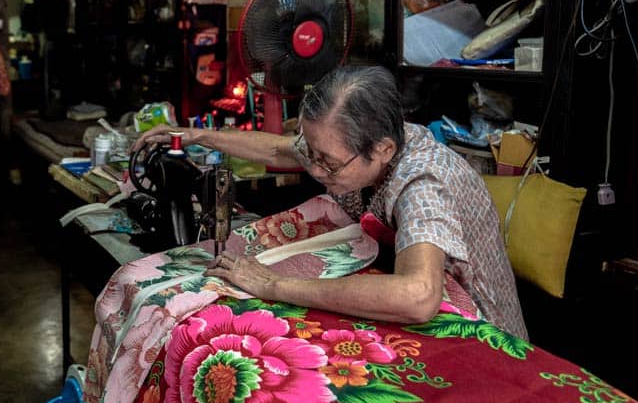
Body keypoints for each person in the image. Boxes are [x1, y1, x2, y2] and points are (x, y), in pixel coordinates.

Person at [132, 65, 528, 340]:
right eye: (316, 155)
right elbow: (283, 148)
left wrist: (273, 284)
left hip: (481, 331)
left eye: (329, 163)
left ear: (384, 149)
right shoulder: (364, 140)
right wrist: (196, 136)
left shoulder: (423, 183)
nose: (316, 168)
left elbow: (418, 295)